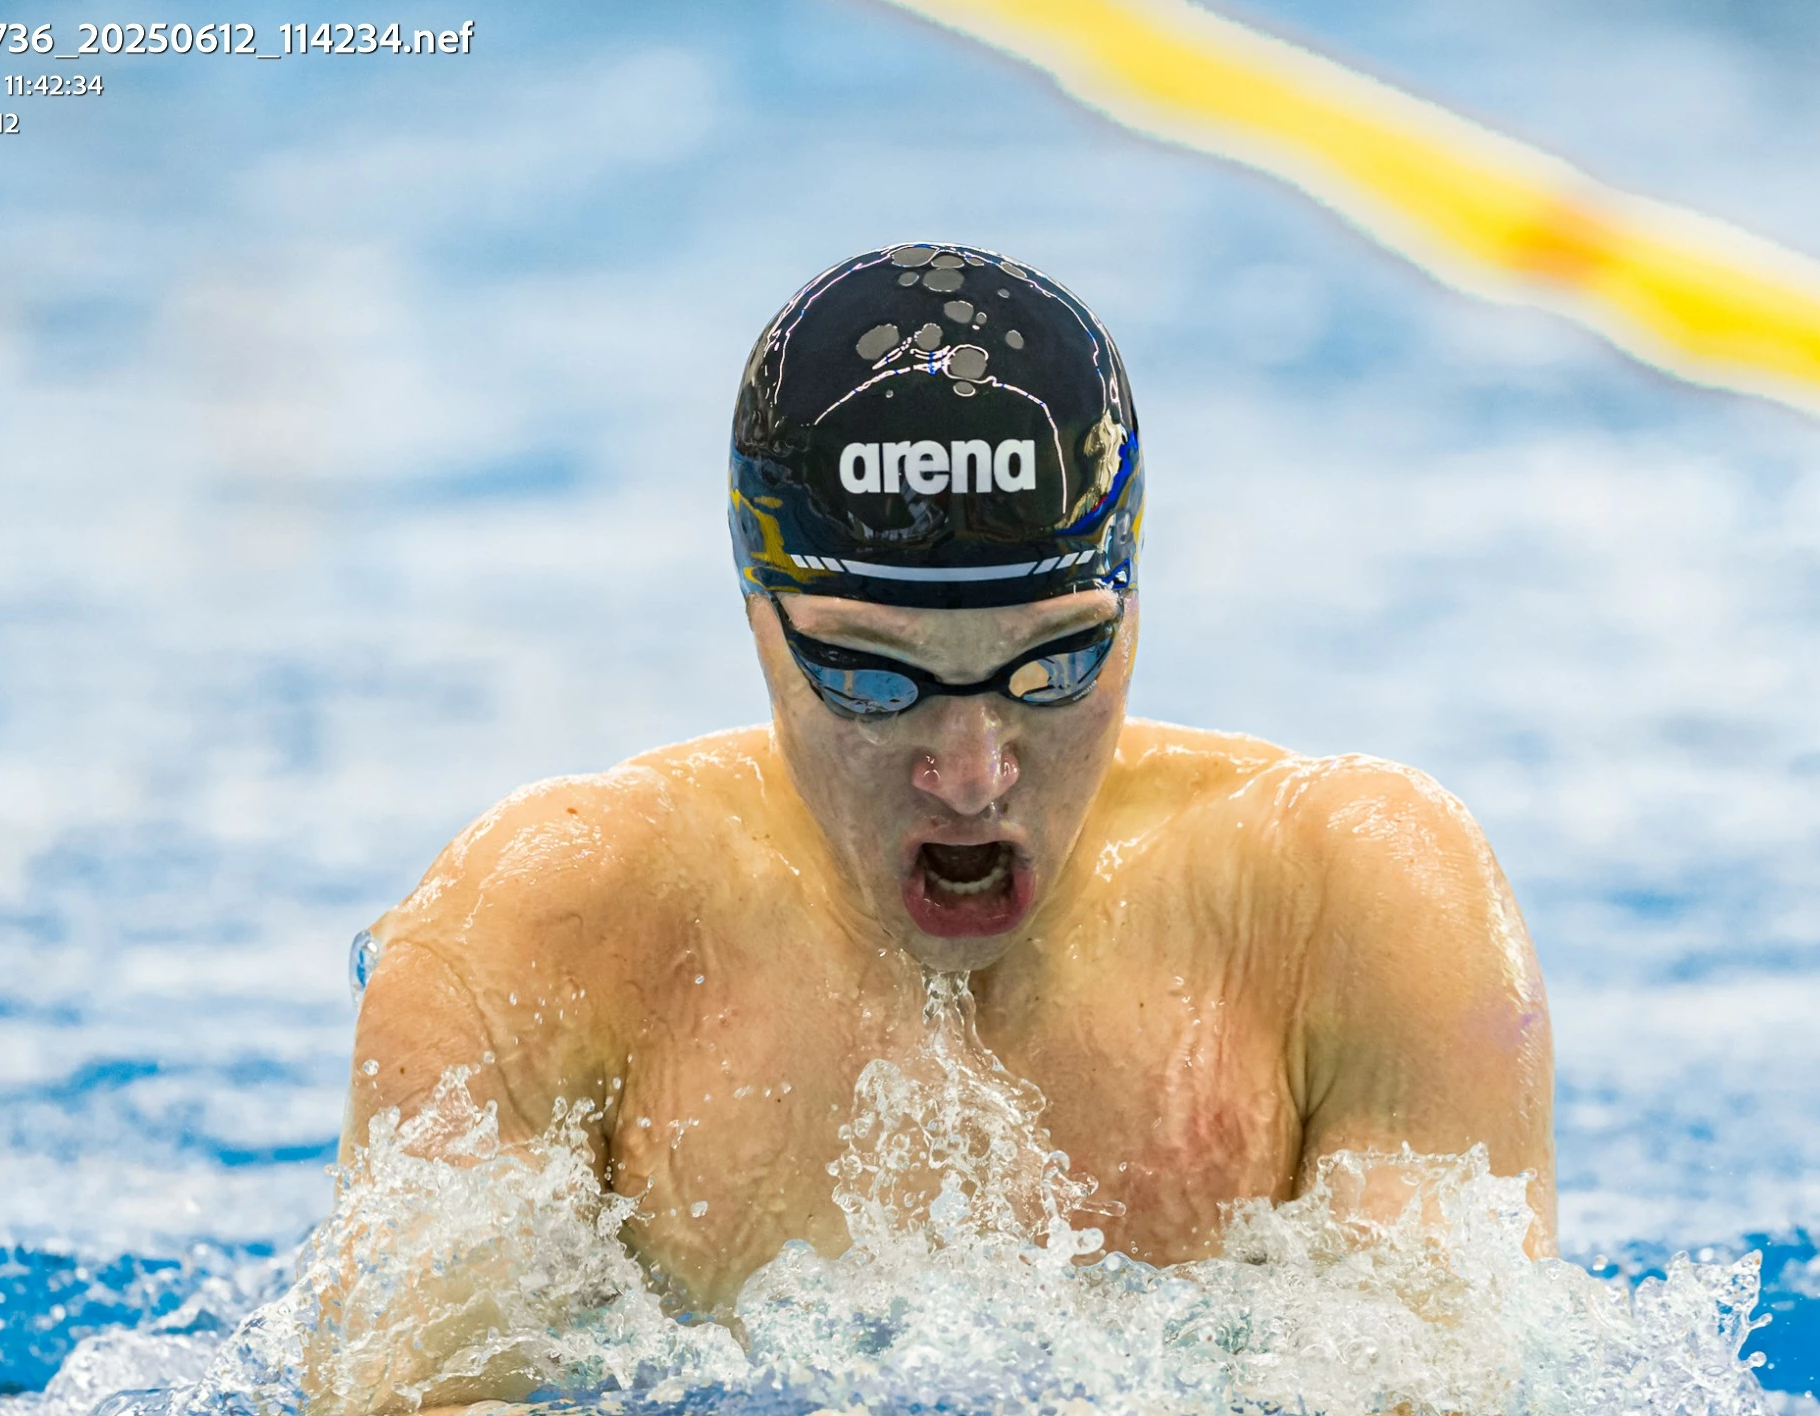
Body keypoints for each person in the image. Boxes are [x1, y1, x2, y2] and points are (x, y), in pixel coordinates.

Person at [343, 243, 1553, 1333]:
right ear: (760, 619)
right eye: (875, 679)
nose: (972, 775)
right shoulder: (552, 923)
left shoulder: (1350, 902)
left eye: (1054, 665)